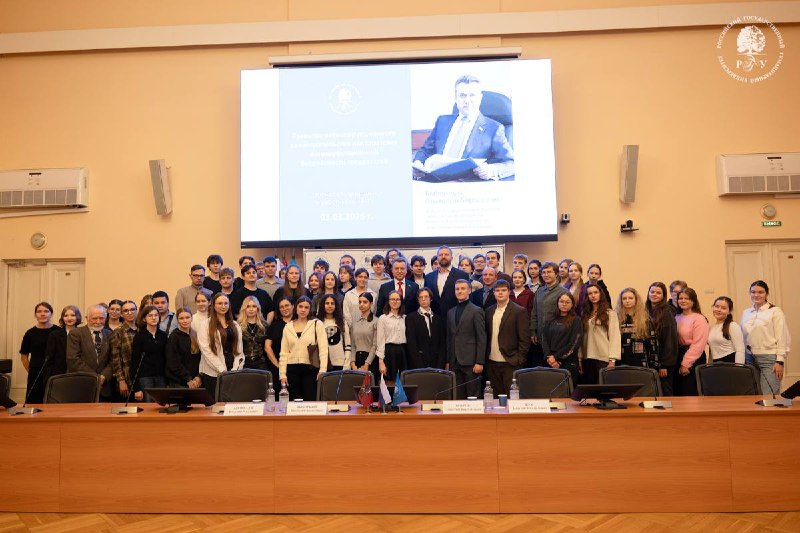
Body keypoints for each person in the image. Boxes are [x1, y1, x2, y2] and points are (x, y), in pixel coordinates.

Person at [412, 74, 514, 181]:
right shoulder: (442, 122)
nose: (467, 101)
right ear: (456, 98)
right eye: (462, 95)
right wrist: (418, 163)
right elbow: (426, 151)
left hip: (466, 185)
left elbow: (512, 163)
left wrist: (492, 170)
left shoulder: (494, 128)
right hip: (434, 182)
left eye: (472, 95)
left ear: (480, 98)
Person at [485, 280, 531, 397]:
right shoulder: (489, 311)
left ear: (509, 292)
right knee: (495, 398)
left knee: (512, 398)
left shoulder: (519, 311)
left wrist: (519, 359)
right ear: (493, 293)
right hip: (492, 362)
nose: (500, 293)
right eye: (497, 290)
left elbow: (524, 339)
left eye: (503, 290)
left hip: (510, 362)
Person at [741, 280, 787, 395]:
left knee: (769, 395)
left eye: (760, 292)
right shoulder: (746, 312)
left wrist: (780, 361)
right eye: (753, 292)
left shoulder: (775, 311)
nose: (756, 295)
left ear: (767, 294)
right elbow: (743, 337)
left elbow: (782, 336)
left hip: (769, 359)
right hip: (749, 358)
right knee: (753, 396)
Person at [279, 296, 328, 401]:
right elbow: (284, 353)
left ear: (310, 309)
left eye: (306, 307)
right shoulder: (288, 327)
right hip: (292, 369)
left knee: (310, 401)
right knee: (293, 402)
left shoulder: (316, 324)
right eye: (300, 306)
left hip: (310, 369)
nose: (303, 310)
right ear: (295, 308)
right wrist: (282, 374)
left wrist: (322, 370)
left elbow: (323, 349)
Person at [446, 279, 487, 399]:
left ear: (469, 291)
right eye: (457, 289)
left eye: (463, 288)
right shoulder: (450, 312)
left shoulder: (476, 311)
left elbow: (481, 337)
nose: (459, 291)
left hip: (471, 362)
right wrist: (448, 360)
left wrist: (479, 362)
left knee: (473, 396)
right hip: (455, 362)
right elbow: (449, 338)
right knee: (457, 397)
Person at [197, 293, 244, 394]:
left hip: (233, 371)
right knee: (215, 401)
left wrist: (234, 370)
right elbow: (206, 351)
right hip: (213, 373)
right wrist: (223, 371)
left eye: (226, 303)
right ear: (213, 305)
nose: (223, 306)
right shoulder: (205, 325)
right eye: (220, 303)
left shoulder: (235, 325)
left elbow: (239, 350)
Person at [65, 304, 113, 400]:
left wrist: (104, 376)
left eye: (101, 318)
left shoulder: (110, 334)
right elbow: (73, 359)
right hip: (81, 385)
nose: (98, 322)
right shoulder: (76, 333)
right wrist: (96, 378)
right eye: (94, 318)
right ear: (87, 318)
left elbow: (113, 360)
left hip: (104, 388)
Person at [530, 261, 568, 369]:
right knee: (538, 371)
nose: (546, 275)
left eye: (549, 272)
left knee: (552, 372)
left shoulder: (563, 292)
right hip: (539, 338)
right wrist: (533, 331)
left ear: (556, 274)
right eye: (544, 272)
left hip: (555, 339)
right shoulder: (539, 291)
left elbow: (567, 317)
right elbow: (534, 312)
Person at [580, 283, 621, 384]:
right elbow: (581, 338)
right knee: (590, 389)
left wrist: (612, 360)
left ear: (600, 294)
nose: (593, 295)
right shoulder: (585, 314)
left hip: (603, 358)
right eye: (590, 293)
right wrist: (579, 358)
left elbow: (615, 337)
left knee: (602, 388)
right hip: (587, 357)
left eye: (595, 292)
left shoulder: (610, 313)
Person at [19, 302, 59, 403]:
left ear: (51, 314)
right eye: (39, 311)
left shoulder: (59, 331)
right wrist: (31, 371)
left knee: (54, 402)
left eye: (46, 311)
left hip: (55, 373)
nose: (43, 314)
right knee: (34, 402)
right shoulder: (30, 333)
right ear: (35, 315)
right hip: (35, 374)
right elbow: (24, 357)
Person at [542, 292, 583, 387]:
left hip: (568, 362)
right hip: (550, 361)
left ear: (572, 304)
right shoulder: (550, 318)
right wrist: (550, 358)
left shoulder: (576, 320)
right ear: (557, 303)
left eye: (567, 302)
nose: (564, 304)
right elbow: (544, 339)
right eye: (561, 301)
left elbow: (574, 344)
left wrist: (557, 358)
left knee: (567, 391)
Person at [645, 282, 679, 396]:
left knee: (665, 392)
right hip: (652, 361)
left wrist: (664, 365)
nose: (654, 294)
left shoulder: (667, 313)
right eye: (652, 292)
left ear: (663, 296)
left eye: (658, 293)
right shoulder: (646, 310)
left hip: (664, 363)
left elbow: (670, 340)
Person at [674, 287, 709, 396]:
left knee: (689, 392)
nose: (683, 301)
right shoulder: (677, 317)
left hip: (693, 358)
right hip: (679, 355)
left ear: (693, 301)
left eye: (687, 298)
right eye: (680, 298)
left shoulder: (699, 319)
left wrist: (686, 364)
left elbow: (698, 345)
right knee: (678, 391)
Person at [130, 305, 168, 402]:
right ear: (144, 319)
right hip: (145, 378)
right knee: (149, 407)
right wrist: (136, 388)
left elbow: (166, 358)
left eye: (156, 315)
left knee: (161, 405)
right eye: (150, 315)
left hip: (161, 377)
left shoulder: (163, 335)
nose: (154, 318)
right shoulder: (139, 336)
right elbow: (134, 362)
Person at [617, 288, 660, 369]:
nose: (627, 301)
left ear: (636, 300)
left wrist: (654, 364)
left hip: (640, 364)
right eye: (624, 298)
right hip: (621, 362)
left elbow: (653, 343)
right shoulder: (616, 319)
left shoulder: (645, 320)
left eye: (630, 298)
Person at [424, 245, 469, 319]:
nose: (443, 256)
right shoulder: (428, 277)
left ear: (451, 257)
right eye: (441, 255)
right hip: (434, 319)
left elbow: (468, 300)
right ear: (437, 258)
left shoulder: (462, 275)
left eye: (446, 254)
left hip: (456, 318)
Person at [405, 287, 446, 369]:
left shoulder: (438, 319)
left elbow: (442, 344)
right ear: (418, 300)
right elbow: (411, 344)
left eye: (426, 296)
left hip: (436, 364)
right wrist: (420, 366)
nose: (423, 299)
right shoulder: (411, 318)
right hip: (418, 364)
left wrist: (440, 365)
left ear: (431, 299)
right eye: (421, 297)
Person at [376, 290, 407, 385]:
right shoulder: (383, 318)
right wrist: (381, 362)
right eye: (392, 299)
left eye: (397, 299)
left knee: (402, 384)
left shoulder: (405, 318)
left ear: (401, 301)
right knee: (389, 384)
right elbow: (380, 341)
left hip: (403, 352)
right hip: (389, 353)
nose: (395, 301)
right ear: (388, 301)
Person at [165, 307, 201, 388]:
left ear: (191, 318)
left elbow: (199, 360)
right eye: (181, 318)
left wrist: (198, 376)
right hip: (179, 381)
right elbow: (173, 363)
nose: (185, 321)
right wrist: (188, 379)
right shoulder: (174, 337)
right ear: (177, 320)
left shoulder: (196, 335)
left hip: (195, 381)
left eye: (187, 317)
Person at [110, 300, 138, 401]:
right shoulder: (118, 332)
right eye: (126, 311)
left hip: (141, 378)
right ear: (121, 314)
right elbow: (115, 359)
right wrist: (121, 380)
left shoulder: (142, 329)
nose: (129, 313)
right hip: (126, 379)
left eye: (132, 309)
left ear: (137, 311)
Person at [265, 297, 294, 395]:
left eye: (287, 305)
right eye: (281, 307)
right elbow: (267, 347)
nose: (284, 308)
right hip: (277, 367)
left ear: (293, 306)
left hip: (295, 366)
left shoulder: (299, 323)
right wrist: (277, 364)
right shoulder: (274, 326)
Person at [45, 305, 82, 378]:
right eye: (66, 316)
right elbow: (49, 359)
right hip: (59, 374)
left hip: (78, 373)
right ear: (62, 318)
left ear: (77, 317)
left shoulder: (82, 334)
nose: (69, 318)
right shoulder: (54, 335)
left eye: (73, 315)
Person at [350, 293, 379, 383]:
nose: (361, 304)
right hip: (357, 358)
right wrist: (352, 362)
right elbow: (353, 345)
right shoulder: (355, 323)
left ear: (371, 304)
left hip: (371, 359)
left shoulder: (376, 321)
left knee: (370, 387)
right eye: (360, 302)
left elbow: (375, 345)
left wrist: (367, 363)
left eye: (365, 302)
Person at [318, 293, 351, 372]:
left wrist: (346, 364)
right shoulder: (318, 322)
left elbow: (348, 345)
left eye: (332, 303)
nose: (330, 306)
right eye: (327, 303)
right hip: (323, 364)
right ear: (322, 305)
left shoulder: (342, 322)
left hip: (340, 363)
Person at [708, 296, 745, 364]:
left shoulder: (732, 326)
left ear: (729, 311)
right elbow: (712, 351)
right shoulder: (712, 328)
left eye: (723, 308)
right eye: (717, 306)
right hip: (716, 364)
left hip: (730, 363)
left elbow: (740, 351)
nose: (719, 310)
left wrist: (739, 368)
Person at [237, 296, 270, 371]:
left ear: (258, 309)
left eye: (254, 306)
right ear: (244, 309)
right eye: (248, 306)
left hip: (261, 364)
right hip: (244, 364)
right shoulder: (238, 326)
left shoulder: (265, 326)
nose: (251, 309)